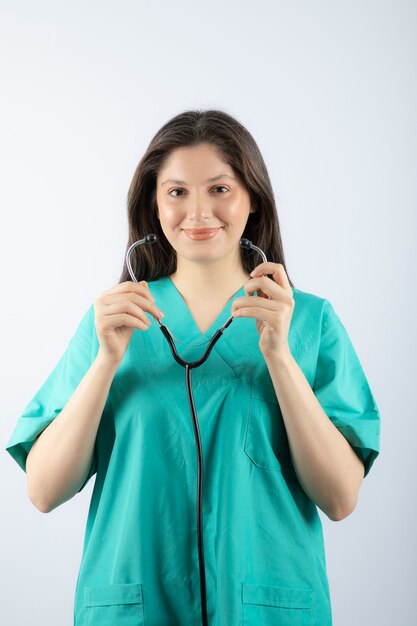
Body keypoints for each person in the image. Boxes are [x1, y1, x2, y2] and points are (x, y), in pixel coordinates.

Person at [5, 109, 381, 626]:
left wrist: (278, 356)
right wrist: (107, 362)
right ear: (154, 205)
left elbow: (340, 498)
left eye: (220, 189)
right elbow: (45, 490)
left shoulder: (310, 322)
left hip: (268, 610)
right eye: (177, 192)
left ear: (253, 199)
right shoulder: (112, 323)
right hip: (133, 609)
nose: (199, 212)